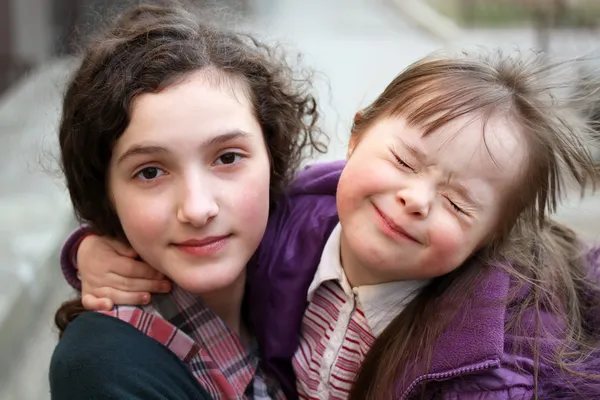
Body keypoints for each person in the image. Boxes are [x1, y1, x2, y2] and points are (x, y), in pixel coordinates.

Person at [60, 49, 600, 398]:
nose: (415, 199)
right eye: (405, 163)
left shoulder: (485, 363)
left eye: (459, 203)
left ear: (490, 239)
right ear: (356, 138)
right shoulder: (294, 221)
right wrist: (92, 249)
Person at [48, 2, 326, 399]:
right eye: (150, 172)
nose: (197, 209)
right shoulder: (105, 369)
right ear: (105, 193)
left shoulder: (302, 273)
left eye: (228, 158)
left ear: (273, 159)